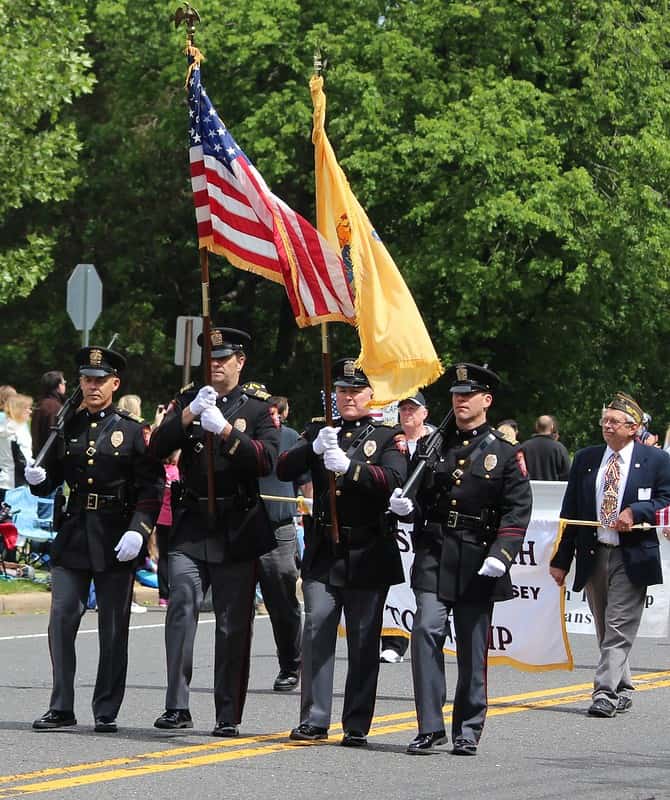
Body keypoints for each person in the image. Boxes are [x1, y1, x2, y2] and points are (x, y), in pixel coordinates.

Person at [390, 363, 532, 756]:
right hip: (436, 551)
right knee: (426, 631)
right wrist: (407, 508)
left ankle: (468, 728)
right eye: (456, 395)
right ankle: (430, 725)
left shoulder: (505, 453)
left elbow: (517, 510)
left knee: (472, 647)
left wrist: (501, 554)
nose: (461, 401)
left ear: (486, 401)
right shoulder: (435, 447)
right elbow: (422, 500)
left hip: (476, 555)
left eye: (468, 395)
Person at [24, 346, 164, 732]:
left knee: (113, 627)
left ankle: (105, 708)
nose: (93, 387)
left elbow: (152, 486)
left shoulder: (133, 431)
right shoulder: (67, 425)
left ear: (115, 385)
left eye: (100, 381)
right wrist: (37, 480)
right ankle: (61, 705)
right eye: (87, 379)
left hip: (115, 534)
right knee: (61, 618)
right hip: (74, 534)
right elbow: (51, 478)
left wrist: (139, 530)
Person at [150, 326, 279, 737]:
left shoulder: (259, 408)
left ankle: (227, 713)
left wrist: (225, 429)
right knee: (181, 607)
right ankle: (177, 704)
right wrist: (188, 415)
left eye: (224, 359)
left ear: (240, 362)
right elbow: (156, 448)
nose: (217, 365)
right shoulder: (190, 398)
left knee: (232, 624)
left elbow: (267, 461)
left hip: (236, 525)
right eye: (211, 359)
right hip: (191, 524)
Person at [277, 358, 407, 748]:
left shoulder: (387, 434)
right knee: (317, 629)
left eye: (355, 390)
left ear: (371, 394)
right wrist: (311, 449)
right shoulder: (321, 429)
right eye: (341, 390)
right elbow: (284, 469)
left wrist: (351, 469)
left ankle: (356, 722)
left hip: (368, 549)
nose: (347, 397)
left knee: (364, 640)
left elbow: (395, 478)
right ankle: (315, 718)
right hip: (324, 551)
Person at [549, 391, 670, 718]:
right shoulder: (587, 459)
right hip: (594, 552)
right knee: (604, 625)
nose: (607, 426)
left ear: (633, 428)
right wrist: (562, 560)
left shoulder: (656, 460)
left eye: (614, 422)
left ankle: (604, 692)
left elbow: (665, 498)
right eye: (604, 421)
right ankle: (623, 685)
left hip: (633, 555)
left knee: (619, 625)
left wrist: (637, 511)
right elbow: (570, 511)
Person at [255, 392, 312, 692]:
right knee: (234, 607)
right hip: (240, 528)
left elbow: (305, 480)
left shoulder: (290, 437)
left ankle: (290, 664)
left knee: (282, 601)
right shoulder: (236, 434)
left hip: (278, 527)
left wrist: (309, 515)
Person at [380, 391, 434, 664]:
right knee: (393, 584)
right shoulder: (390, 441)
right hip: (394, 525)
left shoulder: (437, 441)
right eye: (403, 409)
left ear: (425, 413)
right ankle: (393, 640)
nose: (407, 413)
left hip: (424, 525)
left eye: (413, 409)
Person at [521, 414, 571, 481]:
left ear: (536, 426)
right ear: (552, 427)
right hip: (554, 490)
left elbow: (519, 473)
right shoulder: (559, 448)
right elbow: (567, 475)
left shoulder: (524, 447)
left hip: (529, 490)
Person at [0, 393, 34, 491]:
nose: (30, 411)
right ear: (18, 410)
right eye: (27, 408)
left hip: (4, 479)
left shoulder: (5, 426)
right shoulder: (17, 431)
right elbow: (23, 459)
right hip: (16, 483)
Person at [31, 371, 67, 457]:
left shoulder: (42, 403)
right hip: (50, 460)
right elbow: (52, 438)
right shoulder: (54, 407)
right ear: (58, 386)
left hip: (40, 456)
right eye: (64, 383)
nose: (65, 386)